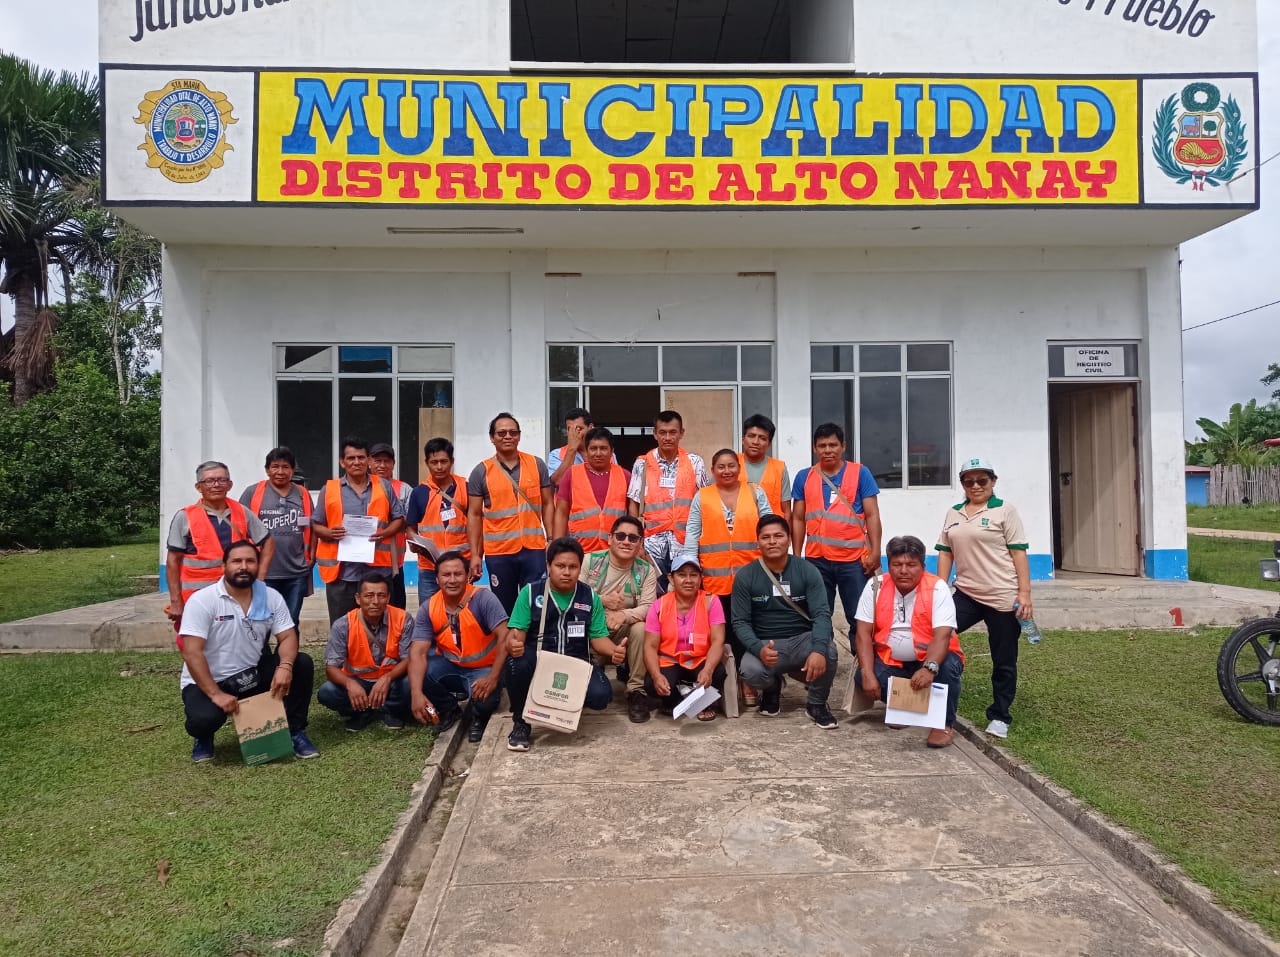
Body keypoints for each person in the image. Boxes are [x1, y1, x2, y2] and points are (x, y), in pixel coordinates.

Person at [178, 539, 317, 762]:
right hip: (210, 682)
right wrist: (216, 694)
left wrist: (285, 666)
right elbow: (191, 652)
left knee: (301, 663)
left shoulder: (270, 596)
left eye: (250, 561)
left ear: (259, 565)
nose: (243, 566)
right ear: (224, 566)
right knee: (203, 719)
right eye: (236, 561)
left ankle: (294, 730)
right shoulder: (203, 600)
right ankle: (203, 737)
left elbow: (288, 635)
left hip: (250, 674)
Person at [935, 457, 1031, 739]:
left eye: (982, 481)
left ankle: (1000, 715)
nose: (975, 486)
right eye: (969, 481)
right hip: (966, 592)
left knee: (1004, 659)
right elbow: (945, 551)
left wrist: (1024, 594)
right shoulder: (954, 513)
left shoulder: (1004, 511)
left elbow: (1018, 553)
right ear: (962, 484)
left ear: (993, 482)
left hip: (1002, 596)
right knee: (935, 636)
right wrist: (940, 589)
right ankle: (930, 700)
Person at [503, 537, 617, 753]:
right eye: (560, 566)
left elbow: (598, 638)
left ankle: (564, 705)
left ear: (580, 568)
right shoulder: (529, 593)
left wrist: (615, 651)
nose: (567, 572)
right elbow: (514, 634)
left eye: (573, 567)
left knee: (601, 695)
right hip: (539, 662)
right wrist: (513, 644)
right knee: (515, 663)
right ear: (548, 566)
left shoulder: (590, 597)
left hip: (576, 663)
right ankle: (521, 723)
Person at [854, 535, 964, 749]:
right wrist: (867, 673)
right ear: (889, 565)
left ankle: (943, 724)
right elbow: (863, 634)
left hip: (931, 659)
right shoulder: (875, 586)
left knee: (949, 665)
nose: (903, 570)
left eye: (911, 565)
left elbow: (942, 635)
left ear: (922, 566)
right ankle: (907, 709)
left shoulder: (938, 588)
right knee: (864, 674)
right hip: (892, 661)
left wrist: (929, 668)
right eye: (897, 564)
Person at [732, 514, 838, 728]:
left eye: (778, 536)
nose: (772, 542)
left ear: (789, 539)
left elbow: (821, 615)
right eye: (766, 537)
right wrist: (758, 648)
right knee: (749, 671)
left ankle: (816, 704)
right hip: (766, 644)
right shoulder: (746, 576)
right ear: (758, 541)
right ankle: (772, 688)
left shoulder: (807, 570)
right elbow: (740, 622)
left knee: (829, 650)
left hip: (802, 640)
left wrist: (817, 650)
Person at [684, 448, 772, 703]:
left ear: (739, 467)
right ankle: (725, 682)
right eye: (720, 467)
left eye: (731, 465)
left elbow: (769, 531)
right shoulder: (703, 496)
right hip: (715, 581)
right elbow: (692, 535)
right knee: (723, 634)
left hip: (752, 581)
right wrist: (691, 572)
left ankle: (748, 681)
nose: (726, 471)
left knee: (750, 631)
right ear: (713, 471)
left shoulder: (756, 493)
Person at [790, 422, 882, 647]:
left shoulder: (860, 473)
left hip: (853, 560)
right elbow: (798, 518)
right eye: (822, 445)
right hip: (817, 560)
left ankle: (862, 669)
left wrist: (876, 552)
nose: (827, 450)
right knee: (818, 615)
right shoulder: (804, 477)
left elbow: (872, 515)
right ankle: (822, 665)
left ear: (843, 446)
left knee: (858, 616)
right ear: (814, 448)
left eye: (833, 445)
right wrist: (796, 556)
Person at [409, 550, 511, 743]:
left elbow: (505, 638)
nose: (452, 580)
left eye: (458, 574)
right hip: (452, 667)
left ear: (467, 576)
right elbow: (418, 652)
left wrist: (492, 677)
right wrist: (416, 693)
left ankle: (478, 718)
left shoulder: (483, 598)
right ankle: (450, 709)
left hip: (485, 669)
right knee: (421, 673)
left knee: (485, 702)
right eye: (446, 575)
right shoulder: (428, 607)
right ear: (437, 579)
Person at [166, 460, 273, 640]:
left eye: (222, 480)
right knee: (200, 645)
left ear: (229, 485)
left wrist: (259, 578)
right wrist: (176, 602)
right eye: (209, 481)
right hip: (197, 598)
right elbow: (172, 561)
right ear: (198, 486)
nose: (216, 485)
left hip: (237, 594)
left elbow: (268, 541)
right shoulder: (185, 516)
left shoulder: (242, 512)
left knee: (241, 641)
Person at [310, 437, 406, 625]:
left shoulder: (384, 486)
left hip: (378, 571)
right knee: (342, 626)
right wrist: (329, 533)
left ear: (368, 460)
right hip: (342, 574)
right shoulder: (328, 490)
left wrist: (385, 533)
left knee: (382, 625)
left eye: (361, 457)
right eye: (351, 458)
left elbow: (399, 519)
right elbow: (316, 524)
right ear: (342, 462)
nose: (356, 462)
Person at [467, 413, 555, 612]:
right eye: (502, 433)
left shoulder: (536, 464)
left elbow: (548, 503)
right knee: (503, 608)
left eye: (513, 432)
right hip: (499, 552)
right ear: (492, 437)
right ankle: (506, 644)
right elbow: (474, 515)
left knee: (536, 605)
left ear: (519, 436)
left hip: (533, 550)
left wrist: (551, 539)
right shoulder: (481, 471)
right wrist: (475, 555)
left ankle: (533, 644)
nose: (508, 436)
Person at [582, 515, 657, 723]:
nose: (626, 541)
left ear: (640, 543)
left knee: (642, 627)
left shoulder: (646, 570)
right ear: (610, 538)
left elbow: (649, 607)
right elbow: (572, 597)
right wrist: (602, 601)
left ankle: (636, 691)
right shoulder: (590, 561)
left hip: (622, 633)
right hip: (591, 634)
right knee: (597, 696)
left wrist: (623, 614)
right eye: (621, 536)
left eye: (633, 538)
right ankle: (592, 668)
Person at [316, 573, 416, 731]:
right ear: (358, 598)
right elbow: (331, 667)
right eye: (369, 596)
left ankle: (389, 709)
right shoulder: (343, 625)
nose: (375, 602)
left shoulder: (403, 618)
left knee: (413, 682)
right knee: (327, 692)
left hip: (392, 681)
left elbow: (409, 659)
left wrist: (387, 678)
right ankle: (362, 711)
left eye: (381, 595)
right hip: (358, 681)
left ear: (388, 597)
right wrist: (350, 684)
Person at [627, 410, 710, 585]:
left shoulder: (695, 463)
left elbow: (706, 503)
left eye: (673, 432)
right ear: (655, 434)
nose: (668, 437)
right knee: (652, 596)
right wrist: (637, 544)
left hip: (686, 545)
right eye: (663, 432)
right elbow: (633, 504)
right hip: (650, 546)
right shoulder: (642, 463)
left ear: (681, 433)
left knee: (683, 594)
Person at [643, 554, 727, 721]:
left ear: (700, 578)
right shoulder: (659, 606)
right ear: (671, 578)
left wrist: (708, 670)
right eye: (682, 575)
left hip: (700, 660)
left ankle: (694, 701)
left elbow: (718, 641)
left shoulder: (711, 601)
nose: (688, 580)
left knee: (718, 673)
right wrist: (656, 675)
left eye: (693, 575)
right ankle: (683, 701)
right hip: (670, 661)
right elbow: (650, 646)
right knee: (652, 685)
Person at [240, 447, 313, 630]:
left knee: (291, 622)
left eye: (285, 467)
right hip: (263, 573)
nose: (280, 472)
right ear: (267, 469)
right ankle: (262, 659)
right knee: (259, 622)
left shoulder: (302, 494)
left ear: (292, 469)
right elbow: (240, 527)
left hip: (296, 572)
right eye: (275, 467)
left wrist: (311, 557)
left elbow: (312, 527)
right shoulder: (253, 492)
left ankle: (288, 659)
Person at [405, 437, 470, 604]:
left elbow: (477, 525)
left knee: (464, 613)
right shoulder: (419, 492)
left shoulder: (466, 488)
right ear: (427, 463)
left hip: (461, 566)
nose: (439, 467)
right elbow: (410, 528)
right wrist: (413, 540)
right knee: (430, 614)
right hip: (429, 568)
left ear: (452, 461)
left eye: (444, 461)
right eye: (434, 462)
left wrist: (477, 557)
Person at [553, 426, 631, 553]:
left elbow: (633, 515)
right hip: (580, 552)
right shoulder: (571, 474)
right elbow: (561, 513)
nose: (598, 453)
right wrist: (557, 547)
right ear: (586, 451)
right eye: (593, 449)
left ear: (612, 451)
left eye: (603, 448)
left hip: (616, 552)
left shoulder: (625, 476)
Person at [370, 443, 413, 610]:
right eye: (377, 460)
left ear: (393, 463)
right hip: (365, 561)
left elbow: (410, 522)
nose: (382, 465)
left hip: (394, 562)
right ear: (369, 462)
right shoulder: (362, 487)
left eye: (386, 461)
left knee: (396, 608)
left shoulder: (404, 489)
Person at [739, 414, 792, 520]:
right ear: (743, 439)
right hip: (738, 532)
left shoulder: (779, 468)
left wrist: (786, 536)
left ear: (769, 444)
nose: (755, 442)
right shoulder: (729, 464)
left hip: (770, 533)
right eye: (751, 436)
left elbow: (786, 511)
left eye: (762, 438)